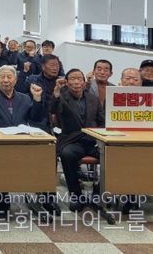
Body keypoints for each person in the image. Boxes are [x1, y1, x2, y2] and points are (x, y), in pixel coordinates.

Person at [0, 65, 45, 213]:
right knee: (0, 161)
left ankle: (38, 196)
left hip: (22, 140)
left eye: (9, 77)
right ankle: (3, 198)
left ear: (15, 79)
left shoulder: (25, 98)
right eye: (2, 77)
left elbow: (35, 118)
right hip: (0, 142)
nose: (6, 80)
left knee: (42, 155)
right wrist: (4, 135)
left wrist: (37, 99)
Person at [51, 69, 104, 212]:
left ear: (84, 82)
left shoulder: (93, 98)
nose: (76, 82)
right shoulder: (62, 97)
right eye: (72, 79)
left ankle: (98, 193)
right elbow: (53, 110)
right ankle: (76, 196)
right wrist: (56, 92)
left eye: (79, 78)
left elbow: (101, 121)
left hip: (93, 140)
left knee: (113, 155)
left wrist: (99, 135)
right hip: (72, 140)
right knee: (67, 154)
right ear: (67, 83)